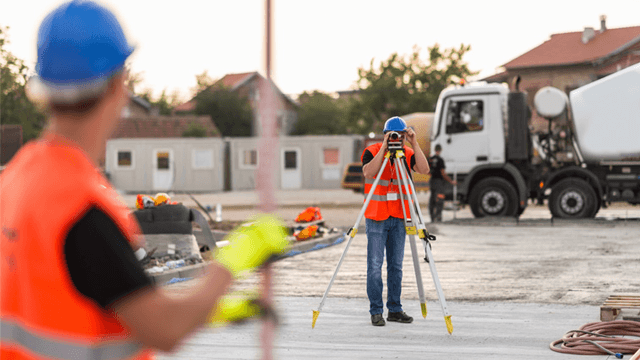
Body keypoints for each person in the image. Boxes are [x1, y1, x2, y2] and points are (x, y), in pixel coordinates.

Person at [0, 1, 288, 358]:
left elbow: (81, 295)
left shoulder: (14, 181)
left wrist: (202, 311)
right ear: (118, 85)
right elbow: (162, 328)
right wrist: (233, 262)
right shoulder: (80, 207)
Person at [361, 117, 430, 326]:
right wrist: (384, 147)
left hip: (399, 217)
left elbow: (424, 170)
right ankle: (376, 311)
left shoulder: (407, 153)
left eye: (399, 136)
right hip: (376, 217)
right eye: (392, 135)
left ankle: (395, 309)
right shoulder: (372, 151)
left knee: (396, 266)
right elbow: (368, 172)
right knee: (374, 266)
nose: (395, 139)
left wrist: (414, 143)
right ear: (384, 134)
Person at [428, 144, 457, 222]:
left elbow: (428, 171)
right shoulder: (440, 160)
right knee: (439, 198)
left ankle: (432, 217)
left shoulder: (431, 159)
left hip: (432, 181)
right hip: (439, 182)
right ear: (440, 150)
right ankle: (438, 217)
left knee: (432, 199)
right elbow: (443, 173)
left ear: (435, 149)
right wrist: (451, 181)